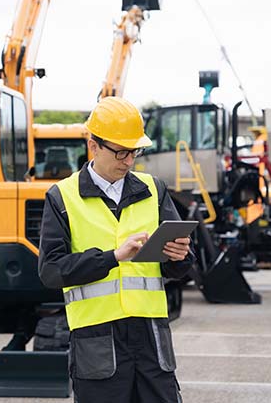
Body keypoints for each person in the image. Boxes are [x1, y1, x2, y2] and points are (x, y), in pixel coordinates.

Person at [38, 96, 194, 403]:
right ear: (93, 146)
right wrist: (113, 257)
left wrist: (180, 256)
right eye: (121, 151)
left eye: (134, 151)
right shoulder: (62, 197)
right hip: (97, 341)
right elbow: (51, 271)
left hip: (150, 338)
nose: (128, 160)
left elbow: (180, 266)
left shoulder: (153, 189)